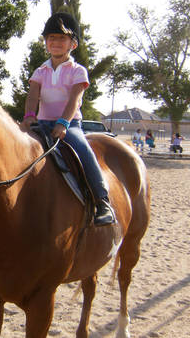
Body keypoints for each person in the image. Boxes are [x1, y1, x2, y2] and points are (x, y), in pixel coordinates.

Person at [22, 12, 114, 227]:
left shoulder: (78, 71)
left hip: (69, 124)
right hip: (42, 123)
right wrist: (28, 117)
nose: (55, 42)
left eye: (61, 38)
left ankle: (101, 200)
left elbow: (74, 99)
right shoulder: (40, 71)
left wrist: (64, 123)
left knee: (82, 149)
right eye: (51, 38)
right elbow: (33, 95)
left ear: (72, 44)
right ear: (45, 42)